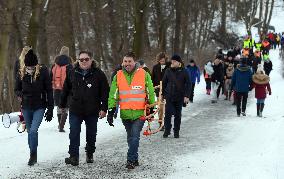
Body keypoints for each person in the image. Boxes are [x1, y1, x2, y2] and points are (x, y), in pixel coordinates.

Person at [60, 50, 109, 166]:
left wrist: (104, 108)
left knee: (91, 134)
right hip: (75, 109)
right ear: (78, 61)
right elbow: (65, 89)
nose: (84, 61)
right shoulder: (72, 72)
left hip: (92, 110)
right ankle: (74, 157)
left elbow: (105, 92)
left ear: (91, 60)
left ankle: (90, 152)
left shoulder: (99, 74)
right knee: (74, 133)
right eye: (81, 60)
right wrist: (62, 104)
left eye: (86, 59)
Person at [107, 52, 155, 169]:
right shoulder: (118, 75)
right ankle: (135, 158)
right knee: (130, 137)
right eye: (125, 61)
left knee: (134, 136)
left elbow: (150, 91)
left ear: (135, 62)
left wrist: (151, 107)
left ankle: (130, 160)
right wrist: (111, 110)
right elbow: (113, 95)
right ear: (122, 62)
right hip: (125, 114)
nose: (127, 64)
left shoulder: (143, 74)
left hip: (140, 113)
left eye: (130, 61)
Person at [14, 49, 54, 166]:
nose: (30, 69)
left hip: (39, 106)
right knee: (30, 132)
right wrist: (20, 94)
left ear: (36, 65)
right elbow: (16, 89)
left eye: (32, 67)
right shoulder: (21, 73)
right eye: (28, 67)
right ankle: (33, 153)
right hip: (26, 107)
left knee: (33, 131)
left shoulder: (43, 72)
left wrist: (50, 108)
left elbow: (49, 90)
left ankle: (32, 155)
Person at [162, 54, 191, 138]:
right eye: (172, 61)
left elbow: (188, 84)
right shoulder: (168, 71)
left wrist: (187, 96)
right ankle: (167, 130)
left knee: (178, 114)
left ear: (179, 62)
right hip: (169, 96)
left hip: (179, 96)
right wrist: (162, 94)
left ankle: (176, 131)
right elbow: (164, 83)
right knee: (168, 114)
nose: (173, 63)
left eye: (174, 61)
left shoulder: (184, 71)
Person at [50, 46, 73, 132]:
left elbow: (50, 77)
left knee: (59, 106)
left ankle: (60, 124)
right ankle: (61, 126)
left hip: (56, 89)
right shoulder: (70, 65)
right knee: (65, 107)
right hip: (66, 89)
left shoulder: (54, 65)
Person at [151, 52, 170, 130]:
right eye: (160, 60)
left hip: (168, 89)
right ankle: (160, 123)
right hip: (158, 90)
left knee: (168, 107)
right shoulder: (155, 67)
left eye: (163, 60)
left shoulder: (169, 66)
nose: (162, 61)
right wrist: (153, 87)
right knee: (160, 107)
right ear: (158, 60)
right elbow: (152, 78)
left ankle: (167, 122)